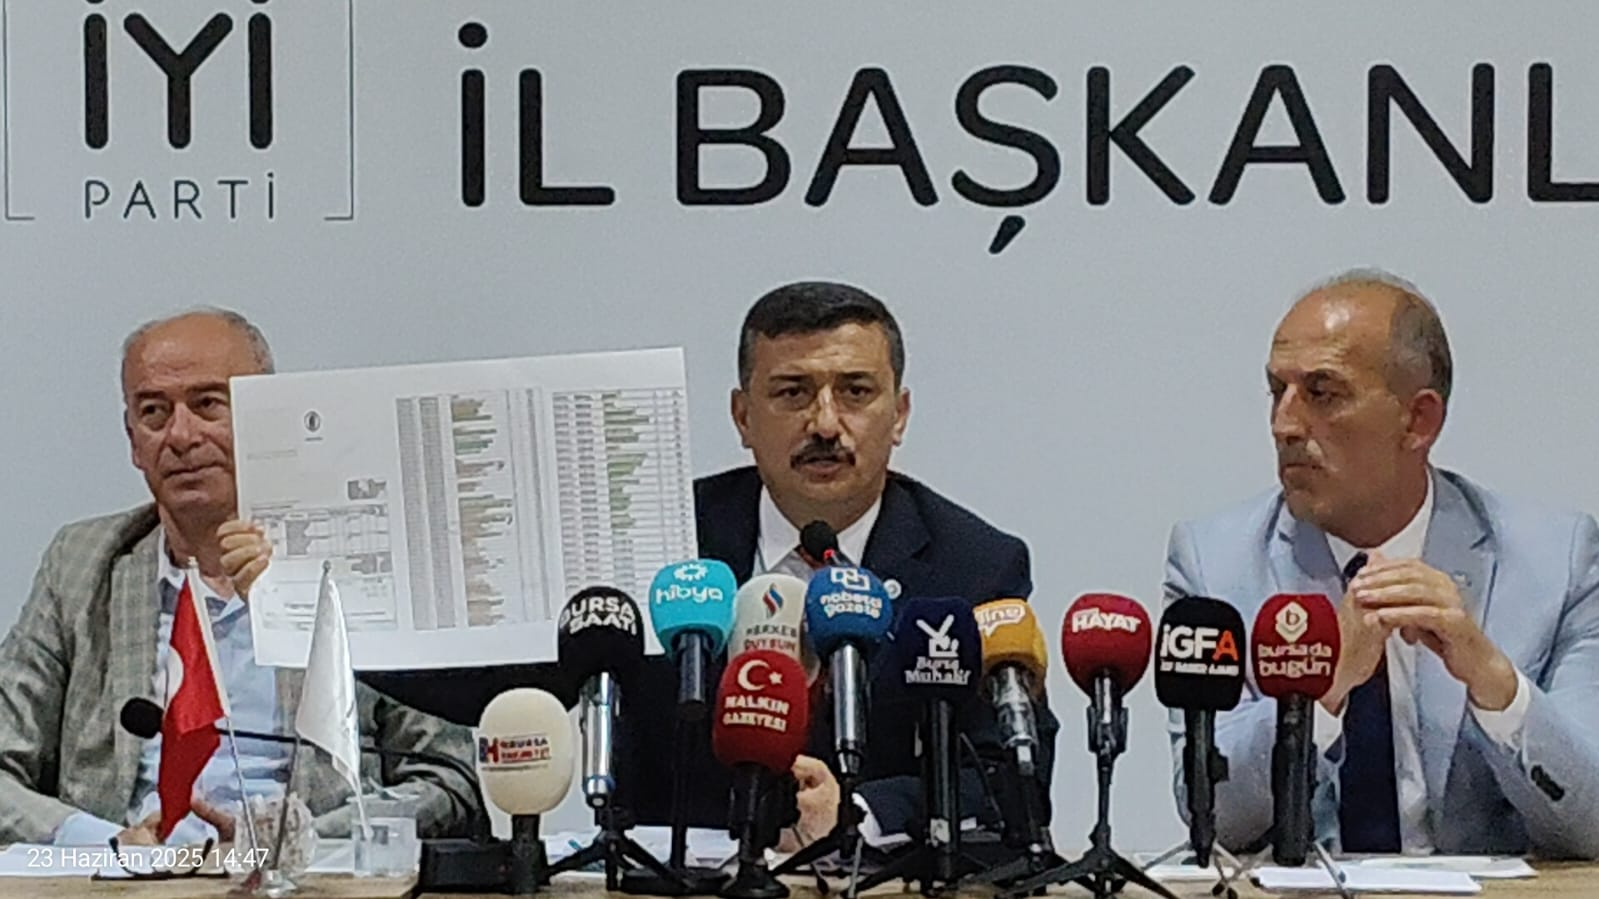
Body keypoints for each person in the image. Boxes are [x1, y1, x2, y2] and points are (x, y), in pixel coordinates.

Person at [0, 309, 483, 847]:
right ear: (133, 439)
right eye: (154, 412)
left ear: (268, 417)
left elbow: (450, 779)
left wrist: (297, 840)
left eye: (208, 404)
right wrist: (103, 844)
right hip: (122, 872)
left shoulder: (361, 562)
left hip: (306, 875)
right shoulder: (82, 564)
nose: (181, 435)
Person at [1163, 269, 1599, 858]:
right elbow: (1212, 816)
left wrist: (1496, 685)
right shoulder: (1214, 565)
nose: (1284, 424)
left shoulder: (1556, 560)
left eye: (1323, 393)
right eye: (1277, 391)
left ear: (1419, 420)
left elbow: (1592, 823)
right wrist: (1321, 691)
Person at [623, 280, 1059, 848]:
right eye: (793, 393)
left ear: (899, 415)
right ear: (743, 417)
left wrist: (858, 813)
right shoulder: (662, 541)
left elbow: (1013, 775)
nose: (825, 425)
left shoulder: (972, 565)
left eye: (855, 392)